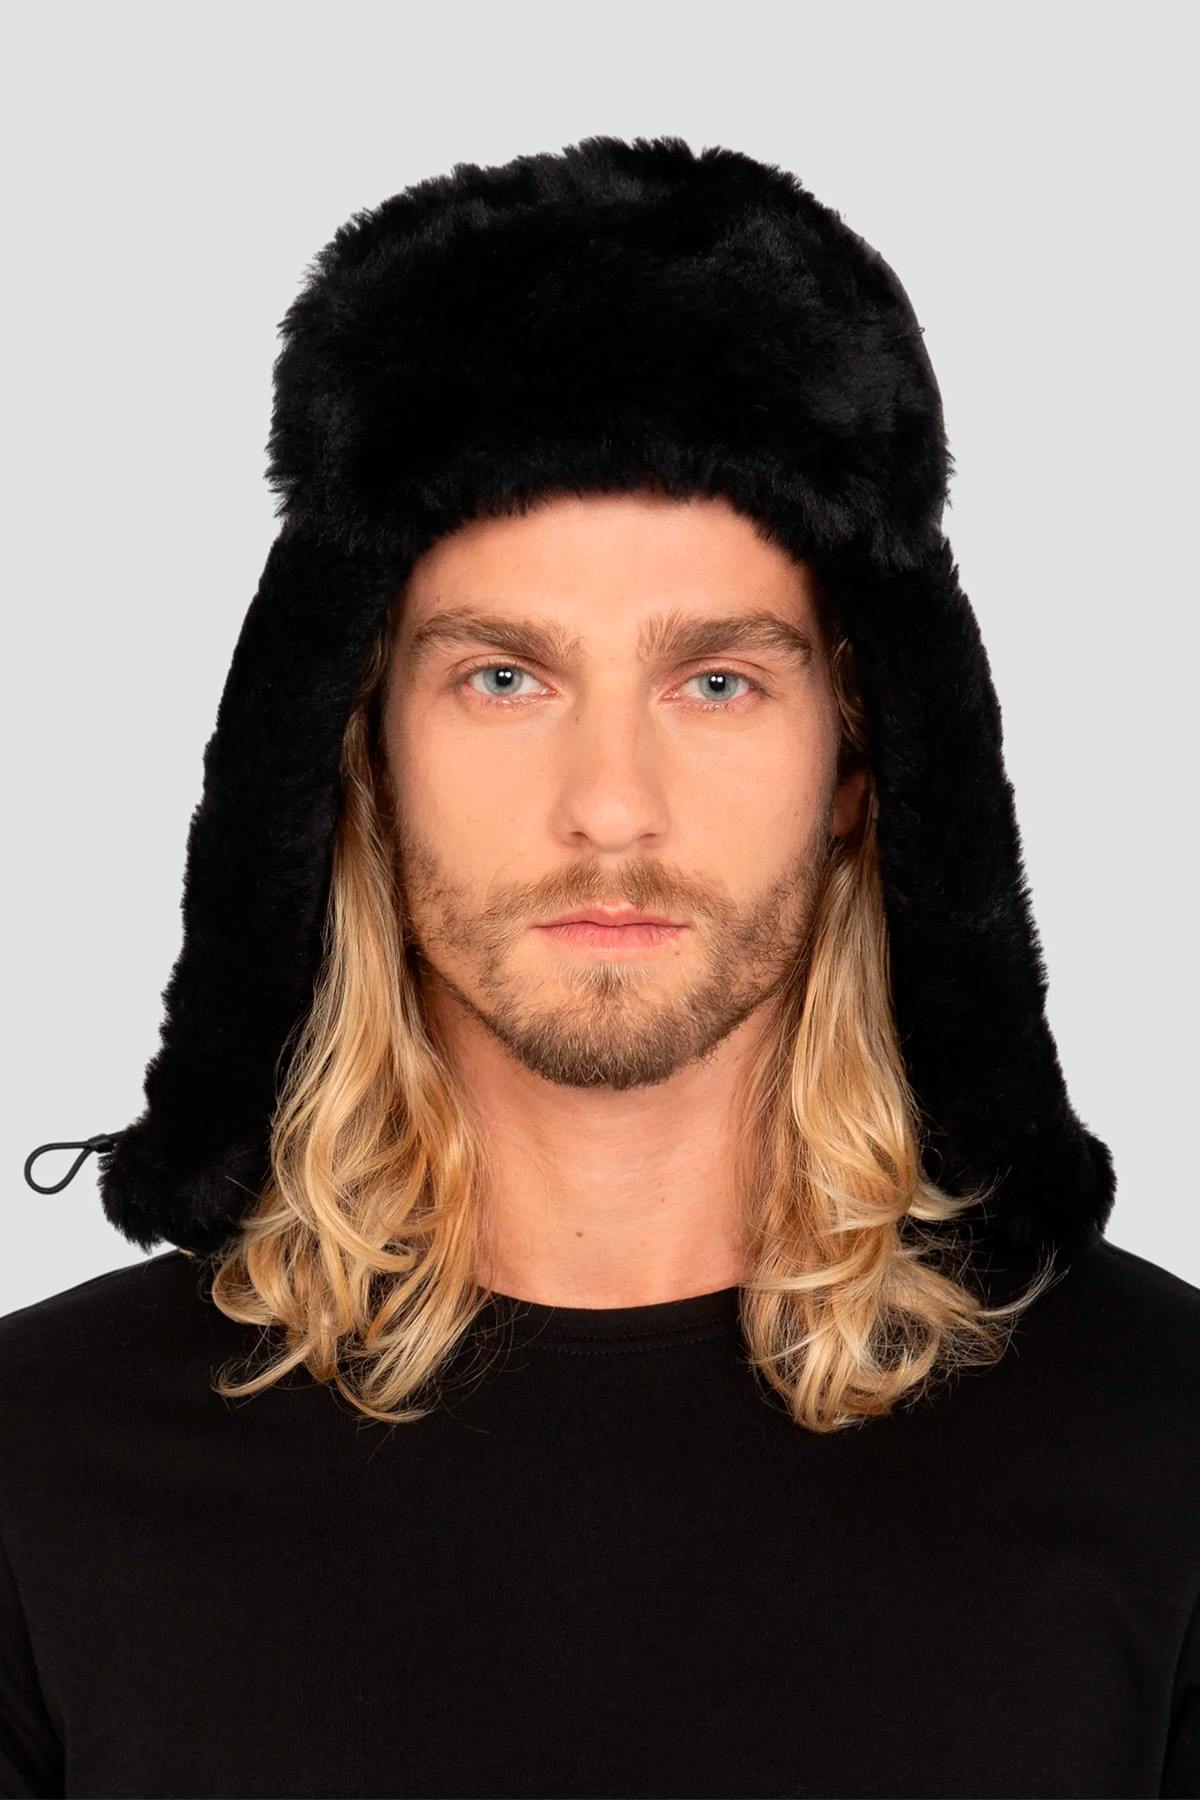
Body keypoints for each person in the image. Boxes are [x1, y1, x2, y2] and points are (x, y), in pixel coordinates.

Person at [4, 134, 1197, 1800]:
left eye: (717, 682)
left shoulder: (1166, 1451)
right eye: (505, 677)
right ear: (358, 747)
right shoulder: (38, 1472)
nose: (612, 807)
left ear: (861, 763)